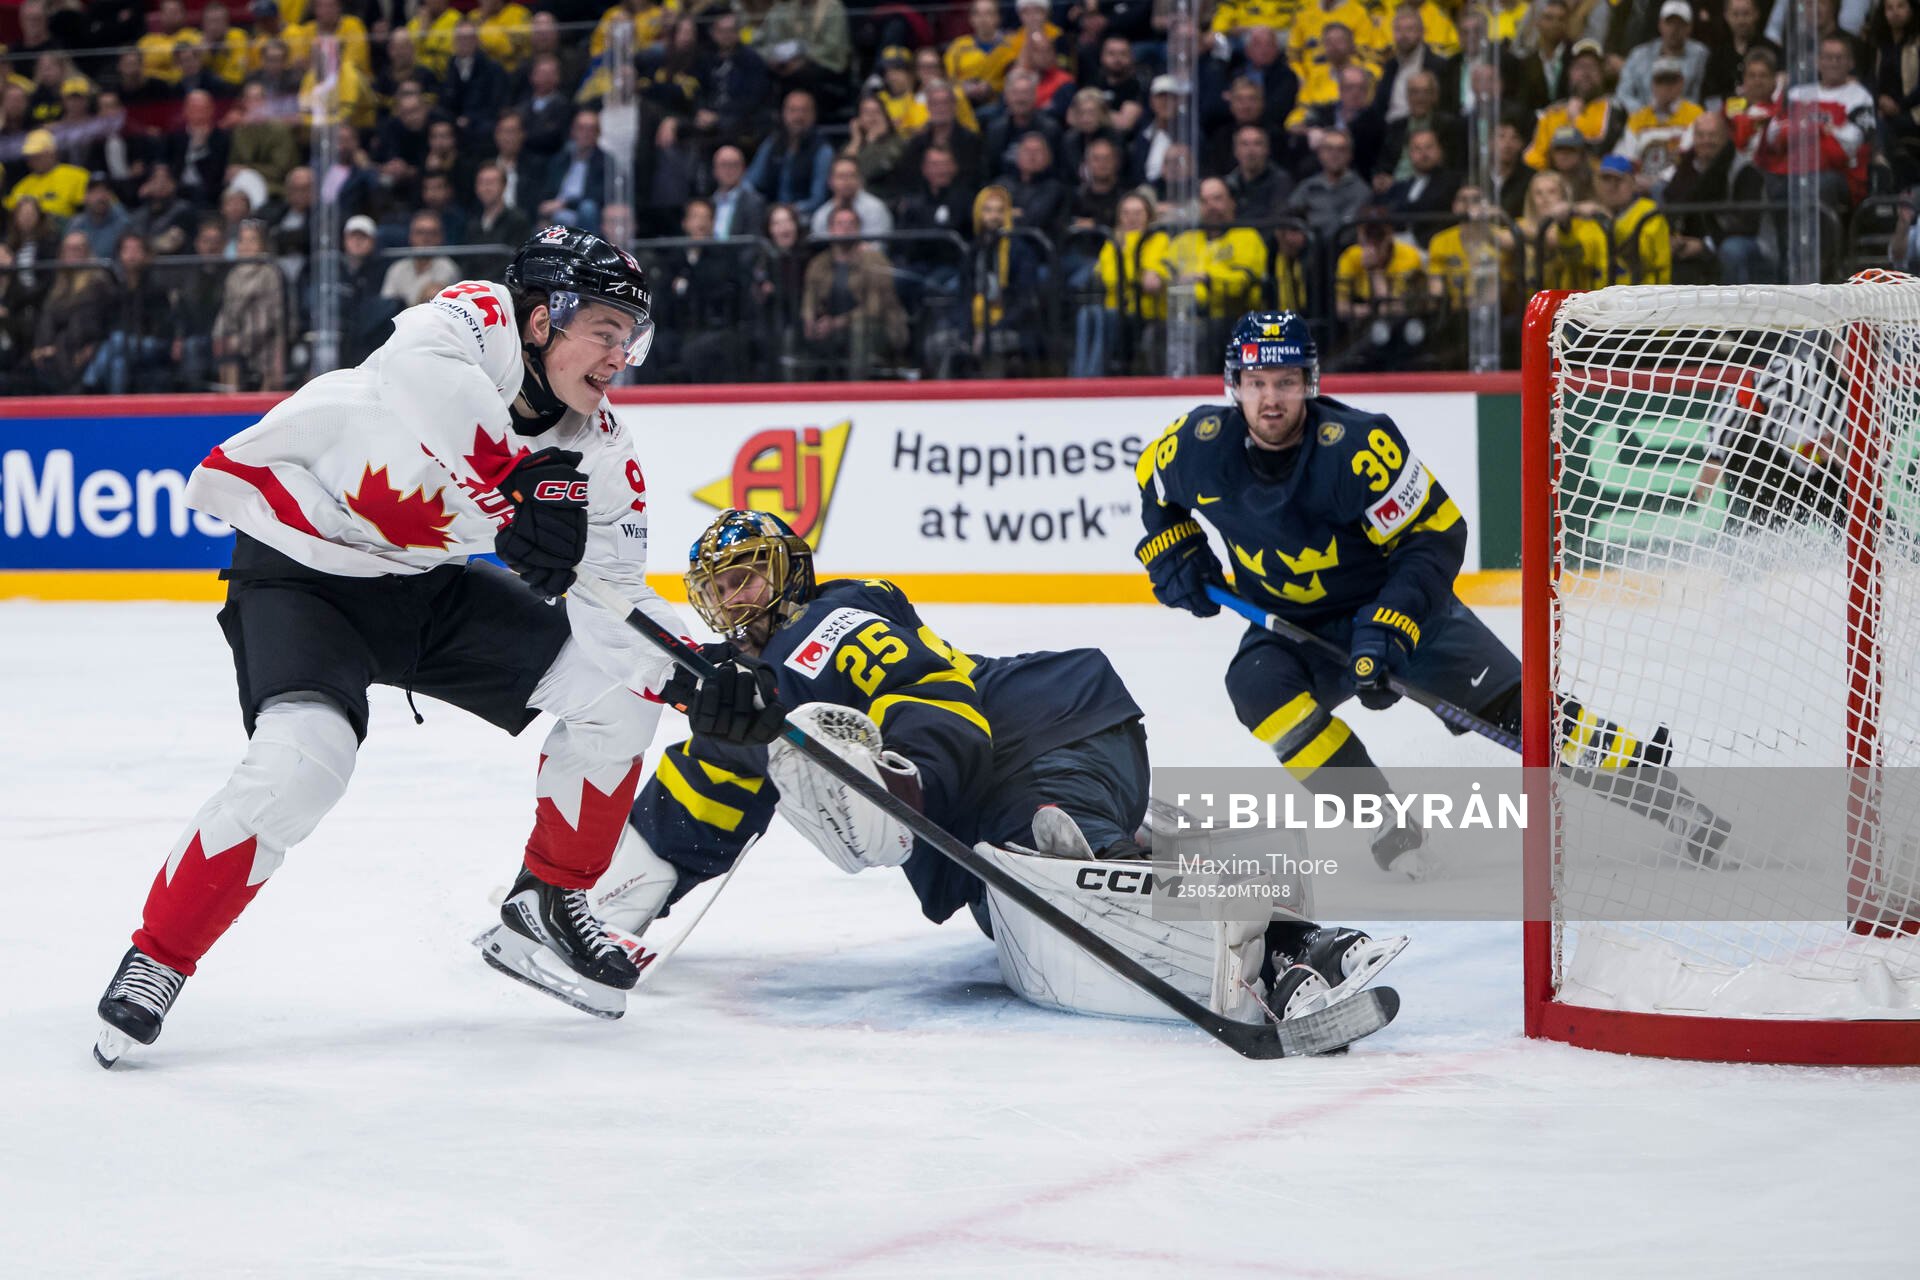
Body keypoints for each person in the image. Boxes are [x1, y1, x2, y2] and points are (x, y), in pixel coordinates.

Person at [92, 229, 773, 1067]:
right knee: (302, 766)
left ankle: (550, 901)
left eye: (631, 335)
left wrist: (701, 675)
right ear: (539, 320)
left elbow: (619, 603)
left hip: (430, 588)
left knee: (616, 695)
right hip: (306, 573)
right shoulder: (469, 320)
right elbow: (419, 379)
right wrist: (517, 490)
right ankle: (157, 956)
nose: (620, 354)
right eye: (604, 328)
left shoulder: (601, 453)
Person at [590, 508, 1402, 1038]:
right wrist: (609, 915)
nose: (736, 602)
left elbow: (929, 698)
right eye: (718, 592)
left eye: (749, 577)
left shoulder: (823, 627)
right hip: (1046, 745)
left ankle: (1297, 948)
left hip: (1033, 742)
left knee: (1064, 884)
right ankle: (1241, 909)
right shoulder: (771, 679)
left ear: (790, 568)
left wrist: (909, 783)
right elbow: (712, 791)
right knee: (1035, 916)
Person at [1132, 312, 1727, 877]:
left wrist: (1391, 626)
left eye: (1285, 382)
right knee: (1257, 687)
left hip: (1405, 612)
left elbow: (1437, 534)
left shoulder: (1357, 448)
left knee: (1523, 716)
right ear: (1233, 385)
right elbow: (1152, 484)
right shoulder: (1197, 444)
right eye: (1256, 382)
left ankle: (1660, 793)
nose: (1270, 399)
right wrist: (1173, 546)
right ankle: (1383, 821)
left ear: (1309, 383)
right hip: (1293, 629)